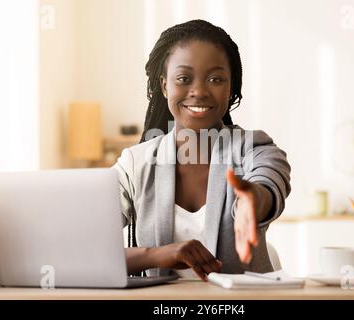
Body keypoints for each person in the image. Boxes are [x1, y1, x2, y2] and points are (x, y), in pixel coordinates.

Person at [112, 19, 291, 281]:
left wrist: (252, 200)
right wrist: (159, 254)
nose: (198, 91)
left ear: (231, 88)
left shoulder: (254, 148)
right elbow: (89, 250)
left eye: (215, 79)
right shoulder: (134, 164)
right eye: (184, 78)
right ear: (164, 85)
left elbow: (269, 179)